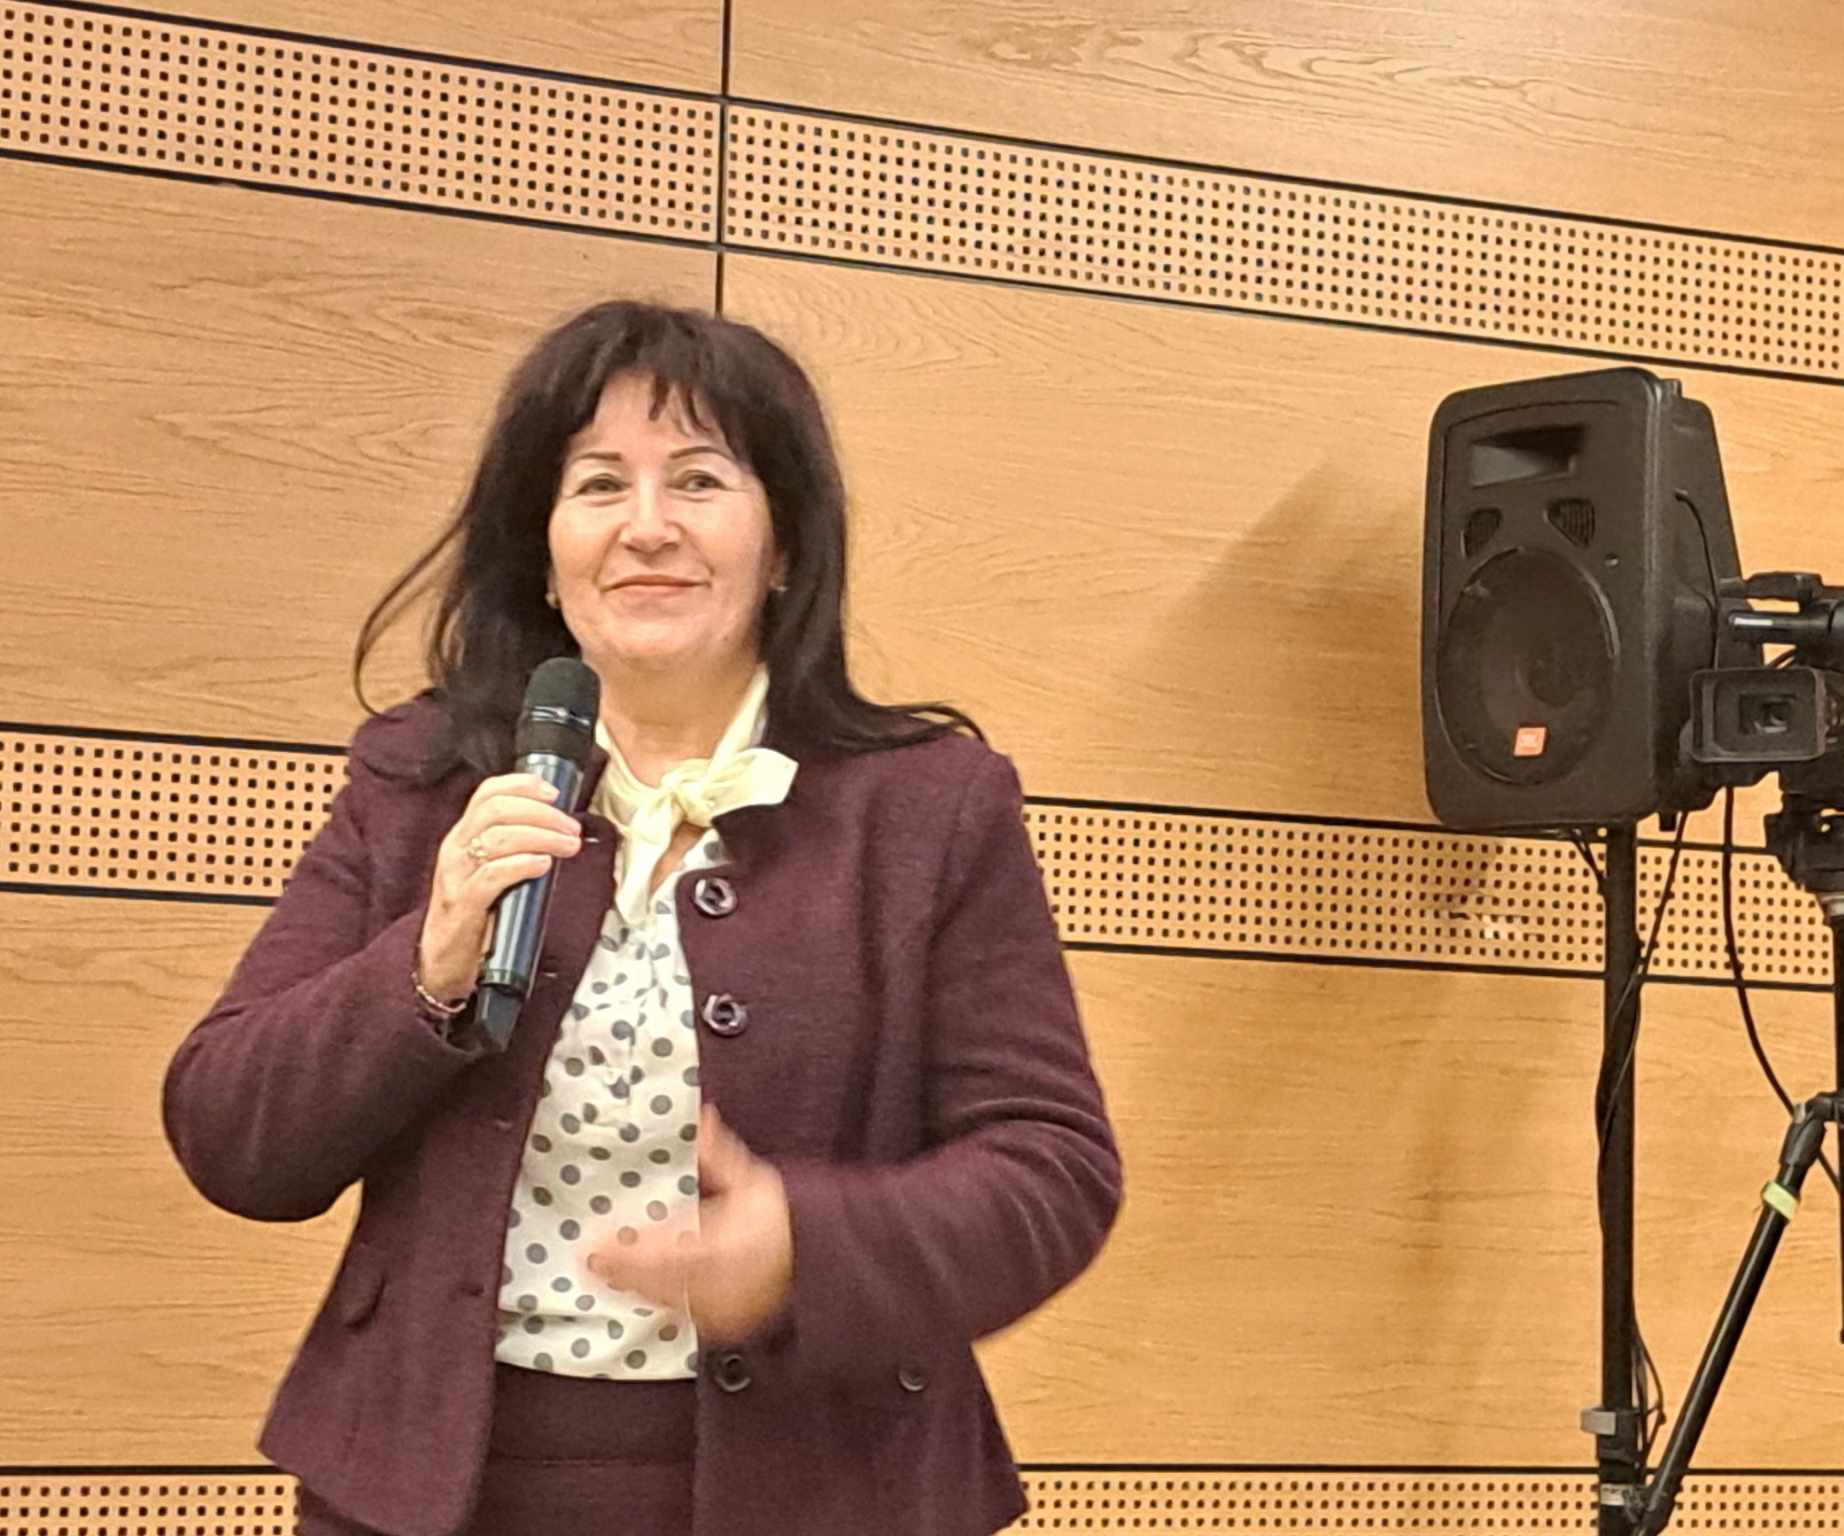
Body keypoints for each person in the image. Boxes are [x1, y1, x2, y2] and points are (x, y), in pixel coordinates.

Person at [160, 300, 1123, 1536]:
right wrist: (424, 965)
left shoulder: (928, 808)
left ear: (783, 544)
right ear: (545, 551)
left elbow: (1050, 1168)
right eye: (599, 483)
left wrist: (807, 1248)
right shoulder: (421, 781)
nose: (647, 525)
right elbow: (230, 1136)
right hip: (424, 1493)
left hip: (822, 1493)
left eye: (700, 479)